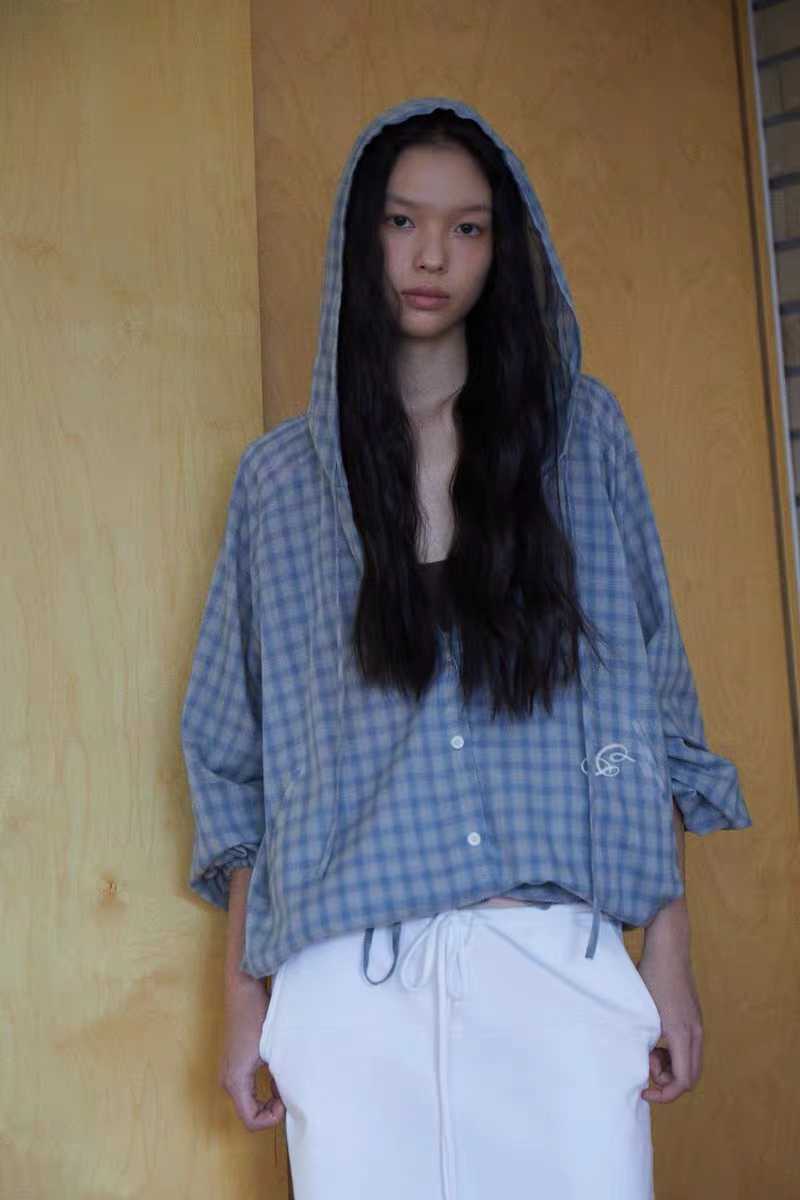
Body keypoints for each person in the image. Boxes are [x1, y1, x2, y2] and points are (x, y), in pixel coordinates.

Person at [180, 96, 753, 1199]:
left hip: (556, 970)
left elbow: (648, 704)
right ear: (362, 239)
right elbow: (235, 760)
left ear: (503, 246)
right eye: (402, 222)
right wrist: (245, 1005)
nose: (431, 256)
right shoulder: (280, 487)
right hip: (348, 987)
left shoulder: (580, 439)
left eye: (467, 227)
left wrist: (667, 960)